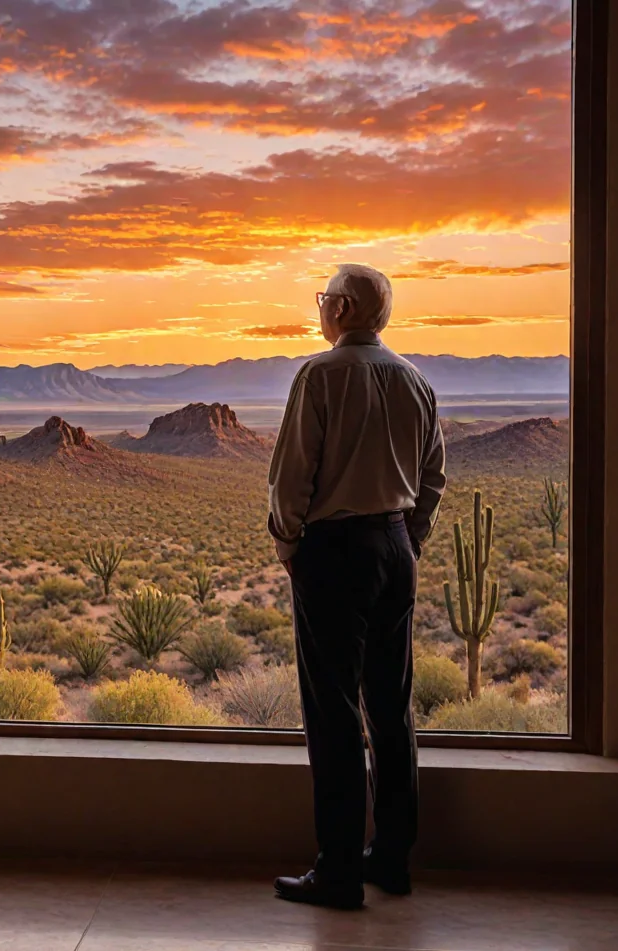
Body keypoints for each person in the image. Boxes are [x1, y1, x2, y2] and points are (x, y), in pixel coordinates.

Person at [269, 264, 446, 910]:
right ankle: (392, 857)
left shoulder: (320, 376)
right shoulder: (415, 381)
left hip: (334, 553)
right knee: (390, 706)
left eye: (324, 300)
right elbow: (433, 475)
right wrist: (408, 539)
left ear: (341, 309)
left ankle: (338, 869)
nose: (321, 310)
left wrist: (290, 545)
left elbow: (291, 478)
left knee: (334, 711)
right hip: (394, 546)